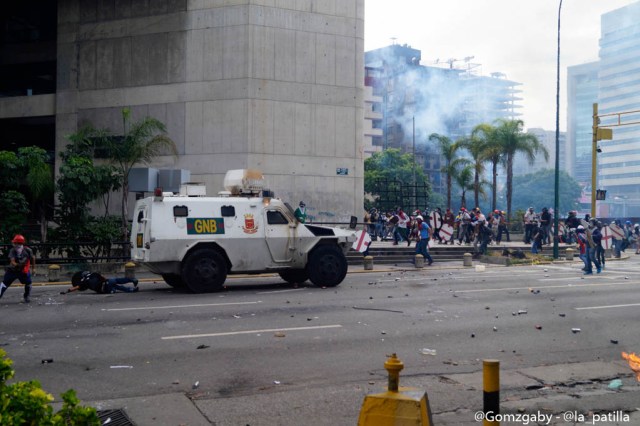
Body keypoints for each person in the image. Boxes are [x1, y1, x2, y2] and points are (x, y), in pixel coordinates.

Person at [0, 234, 36, 303]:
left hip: (23, 271)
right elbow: (12, 261)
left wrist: (33, 268)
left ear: (18, 243)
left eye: (15, 242)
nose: (13, 243)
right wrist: (18, 264)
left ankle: (26, 297)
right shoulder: (13, 250)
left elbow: (33, 258)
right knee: (4, 284)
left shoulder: (28, 250)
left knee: (28, 283)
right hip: (12, 270)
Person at [61, 271, 139, 295]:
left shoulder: (83, 282)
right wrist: (106, 281)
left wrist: (66, 291)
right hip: (106, 284)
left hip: (103, 290)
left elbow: (75, 288)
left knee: (117, 287)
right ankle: (132, 280)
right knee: (117, 280)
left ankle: (131, 290)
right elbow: (103, 277)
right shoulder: (93, 274)